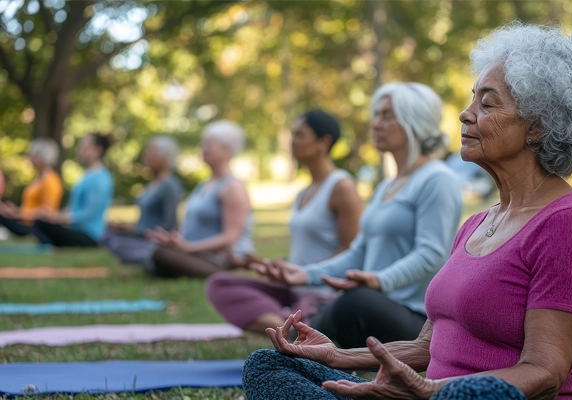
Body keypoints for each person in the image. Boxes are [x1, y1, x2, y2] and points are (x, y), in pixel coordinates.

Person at [242, 22, 572, 400]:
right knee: (269, 366)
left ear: (537, 127)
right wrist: (337, 356)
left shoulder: (569, 223)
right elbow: (428, 347)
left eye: (487, 103)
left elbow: (545, 374)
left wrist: (431, 392)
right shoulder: (477, 223)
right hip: (428, 393)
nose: (465, 114)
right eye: (471, 99)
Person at [251, 82, 463, 349]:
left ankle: (297, 344)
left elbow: (432, 254)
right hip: (372, 305)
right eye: (376, 115)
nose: (375, 124)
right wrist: (305, 274)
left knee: (355, 299)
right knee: (353, 299)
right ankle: (302, 342)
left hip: (415, 318)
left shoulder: (437, 179)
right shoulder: (387, 185)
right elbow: (358, 252)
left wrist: (379, 280)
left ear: (415, 121)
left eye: (386, 116)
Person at [206, 109, 363, 333]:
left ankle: (297, 327)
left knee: (307, 307)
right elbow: (308, 251)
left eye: (300, 135)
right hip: (294, 287)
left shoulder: (341, 187)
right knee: (219, 284)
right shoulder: (303, 192)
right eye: (293, 134)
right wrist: (276, 265)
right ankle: (292, 329)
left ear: (323, 142)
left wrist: (307, 274)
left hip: (325, 294)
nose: (292, 141)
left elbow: (352, 251)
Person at [146, 120, 255, 278]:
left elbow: (231, 237)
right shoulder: (203, 185)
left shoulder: (233, 188)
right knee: (157, 250)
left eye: (209, 145)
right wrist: (173, 239)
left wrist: (188, 248)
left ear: (227, 150)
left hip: (221, 261)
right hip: (194, 254)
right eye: (203, 144)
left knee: (160, 254)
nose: (203, 149)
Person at [102, 136, 183, 270]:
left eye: (152, 152)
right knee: (108, 234)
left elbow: (169, 225)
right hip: (140, 237)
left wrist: (134, 230)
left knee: (118, 243)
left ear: (166, 158)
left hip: (154, 242)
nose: (146, 155)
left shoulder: (170, 186)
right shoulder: (152, 184)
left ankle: (151, 258)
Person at [34, 133, 114, 247]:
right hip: (76, 231)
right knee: (41, 222)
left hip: (90, 236)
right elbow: (74, 208)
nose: (80, 150)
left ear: (98, 150)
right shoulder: (86, 175)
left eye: (85, 147)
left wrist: (56, 217)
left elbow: (88, 213)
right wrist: (53, 216)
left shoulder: (101, 178)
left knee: (42, 224)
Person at [0, 138, 63, 242]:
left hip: (35, 227)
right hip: (25, 222)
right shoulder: (38, 179)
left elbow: (46, 213)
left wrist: (16, 213)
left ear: (42, 157)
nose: (29, 158)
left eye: (32, 155)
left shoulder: (51, 180)